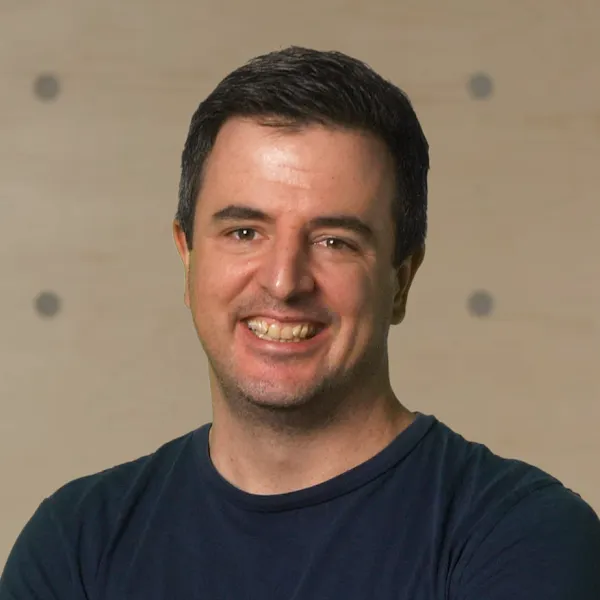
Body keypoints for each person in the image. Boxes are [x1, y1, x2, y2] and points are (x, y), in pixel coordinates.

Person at [1, 46, 599, 599]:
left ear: (401, 280)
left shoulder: (522, 537)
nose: (284, 281)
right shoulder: (75, 545)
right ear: (187, 258)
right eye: (244, 232)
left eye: (335, 241)